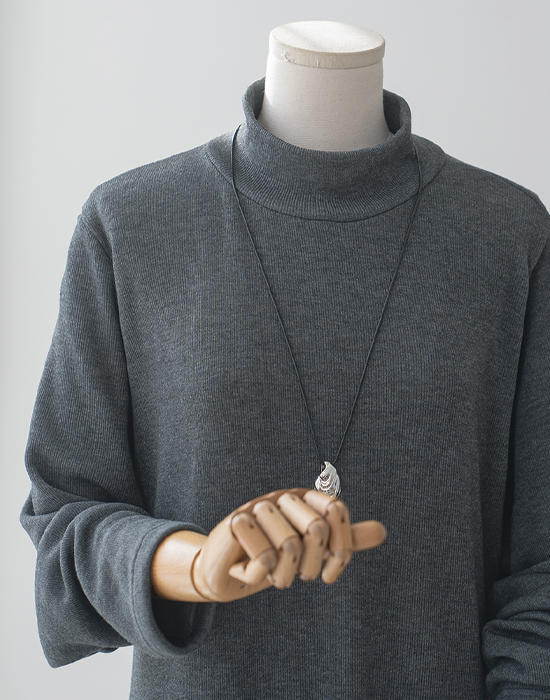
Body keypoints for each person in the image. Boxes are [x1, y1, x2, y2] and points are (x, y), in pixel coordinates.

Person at [21, 20, 550, 700]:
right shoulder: (129, 223)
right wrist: (193, 564)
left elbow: (541, 571)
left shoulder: (508, 235)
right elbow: (65, 519)